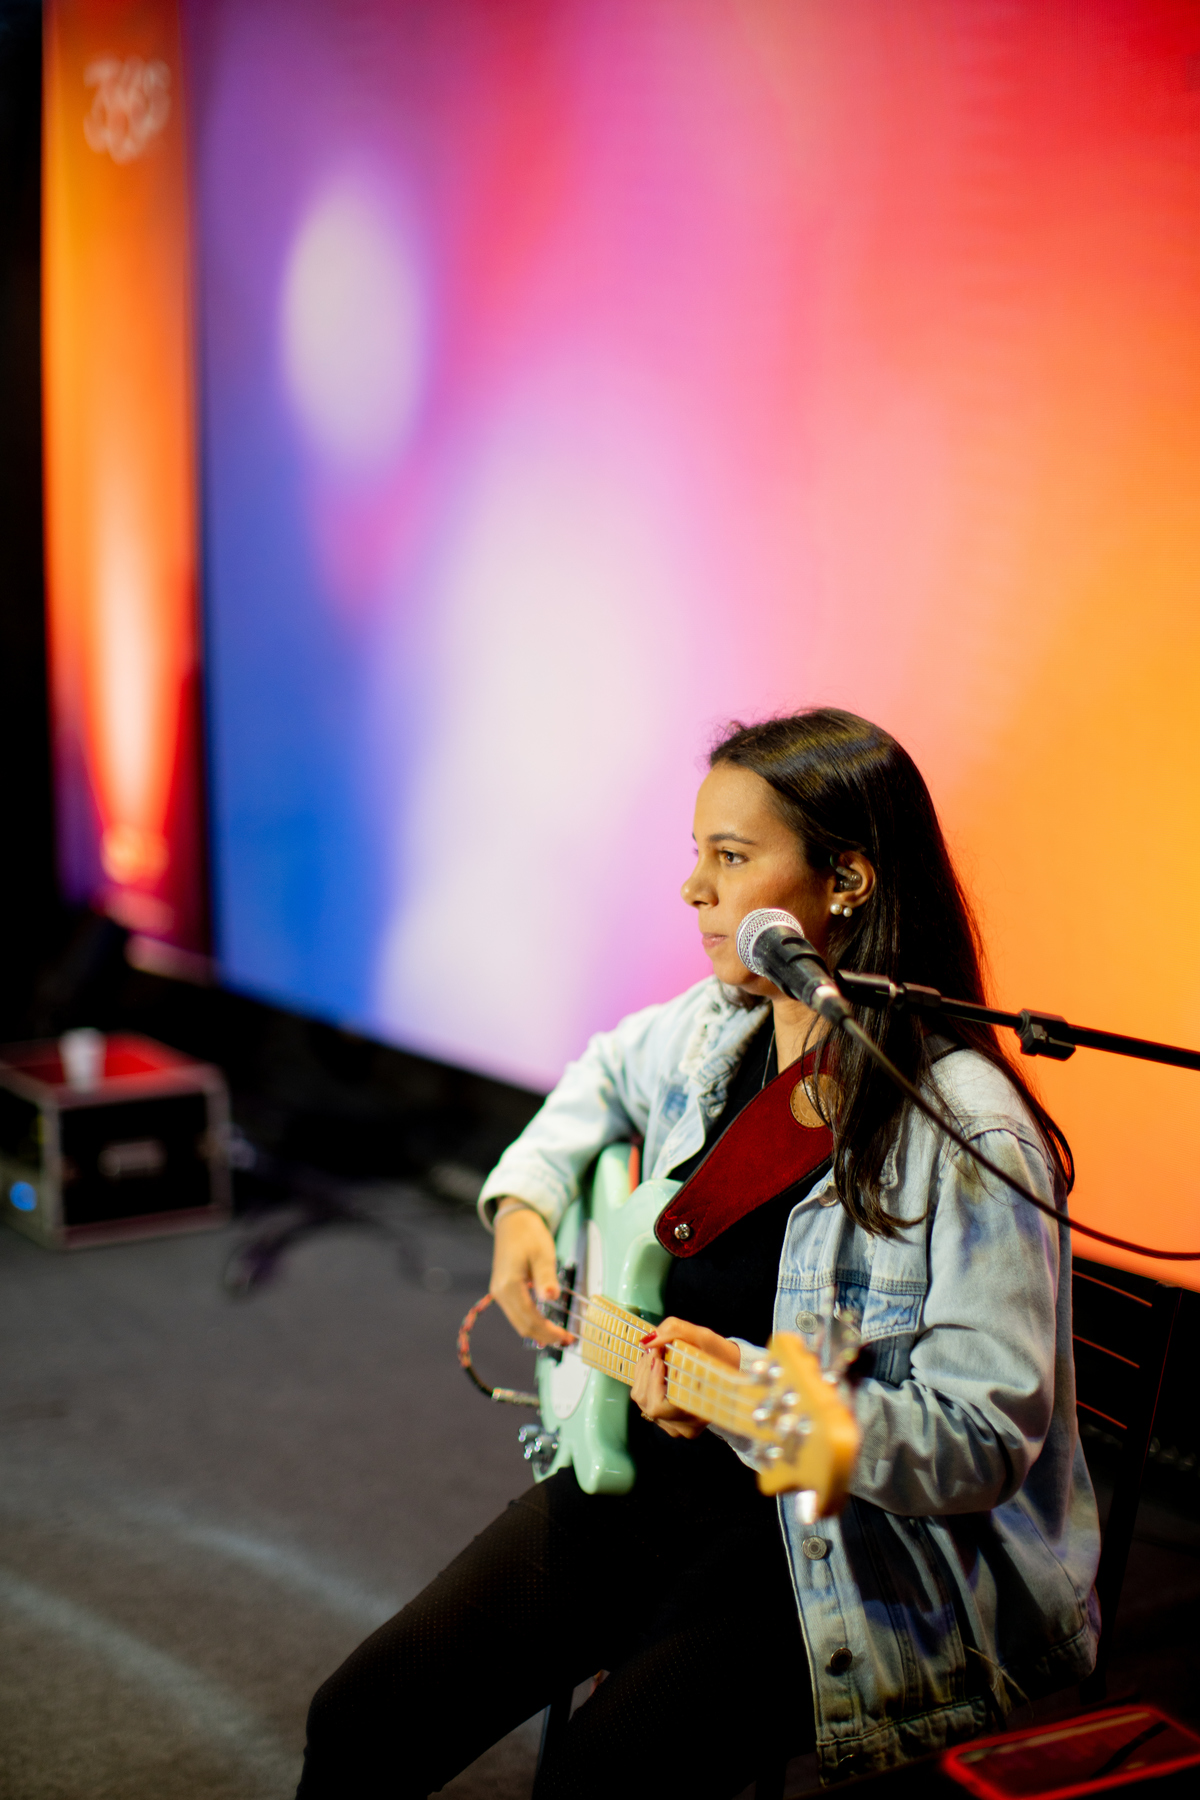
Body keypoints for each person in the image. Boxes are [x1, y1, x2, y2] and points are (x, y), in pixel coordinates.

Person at [295, 708, 1100, 1798]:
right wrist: (527, 1206)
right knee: (360, 1721)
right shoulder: (718, 1027)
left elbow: (981, 1444)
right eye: (697, 856)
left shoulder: (963, 1126)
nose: (694, 891)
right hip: (648, 1485)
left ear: (847, 882)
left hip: (834, 1556)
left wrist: (754, 1402)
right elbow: (597, 1077)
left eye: (730, 858)